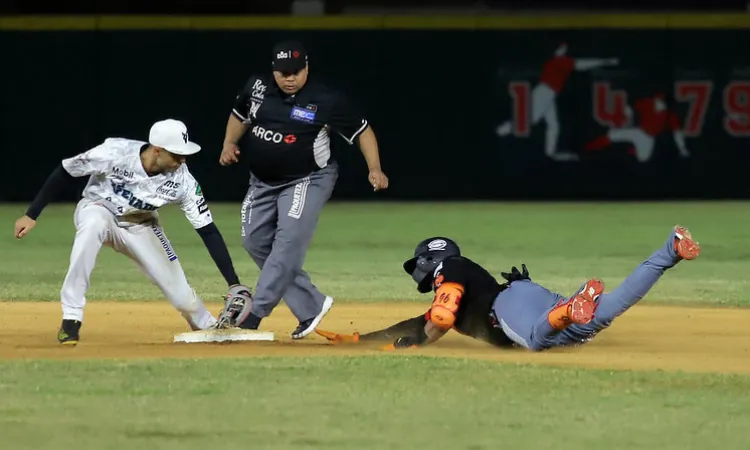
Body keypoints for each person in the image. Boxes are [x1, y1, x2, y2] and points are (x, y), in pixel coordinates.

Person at [13, 119, 252, 345]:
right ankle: (71, 317)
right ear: (157, 150)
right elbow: (67, 170)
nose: (182, 160)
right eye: (177, 154)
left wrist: (233, 283)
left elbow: (207, 230)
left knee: (181, 294)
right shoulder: (115, 152)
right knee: (92, 225)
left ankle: (206, 324)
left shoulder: (183, 182)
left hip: (141, 223)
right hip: (99, 209)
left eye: (185, 154)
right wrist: (31, 214)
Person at [219, 40, 389, 339]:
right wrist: (229, 143)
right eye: (283, 72)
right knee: (254, 241)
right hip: (261, 182)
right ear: (273, 71)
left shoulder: (326, 99)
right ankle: (311, 306)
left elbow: (363, 131)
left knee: (288, 241)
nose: (289, 78)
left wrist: (374, 168)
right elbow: (239, 114)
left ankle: (256, 312)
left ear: (307, 68)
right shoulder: (257, 87)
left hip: (307, 178)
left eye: (296, 71)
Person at [315, 226, 701, 351]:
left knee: (534, 341)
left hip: (510, 308)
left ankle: (568, 309)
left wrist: (420, 339)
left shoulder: (449, 268)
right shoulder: (462, 274)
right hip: (526, 297)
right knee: (605, 312)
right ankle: (671, 249)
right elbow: (420, 325)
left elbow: (442, 317)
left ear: (429, 260)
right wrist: (362, 340)